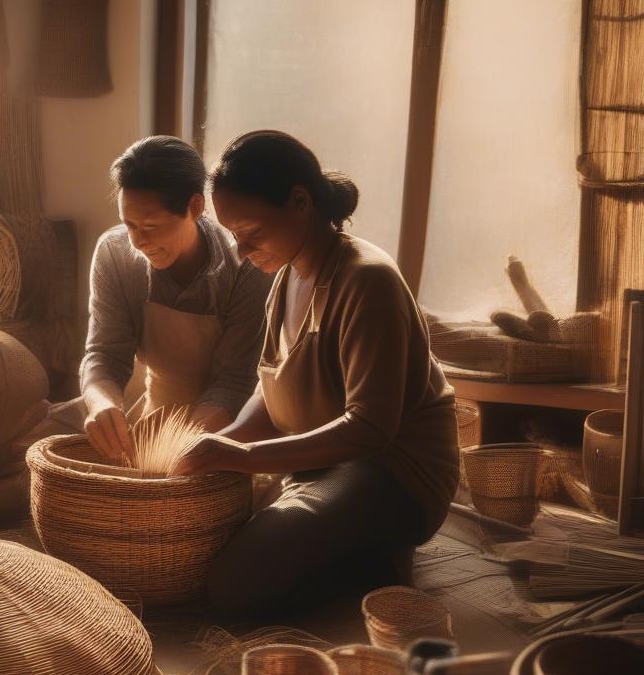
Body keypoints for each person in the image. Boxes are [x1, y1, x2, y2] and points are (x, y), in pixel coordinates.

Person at [175, 130, 460, 617]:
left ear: (301, 202)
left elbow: (371, 428)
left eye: (251, 233)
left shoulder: (366, 280)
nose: (242, 252)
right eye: (232, 236)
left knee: (234, 586)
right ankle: (350, 541)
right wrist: (225, 442)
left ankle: (382, 562)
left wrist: (244, 456)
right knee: (201, 550)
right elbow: (273, 389)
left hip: (393, 474)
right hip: (324, 464)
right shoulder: (284, 276)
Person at [79, 135, 271, 459]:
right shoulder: (114, 253)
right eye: (129, 224)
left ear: (195, 207)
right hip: (156, 407)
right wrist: (102, 403)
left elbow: (235, 383)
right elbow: (105, 354)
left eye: (151, 226)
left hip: (224, 429)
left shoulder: (247, 265)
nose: (138, 241)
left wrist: (180, 447)